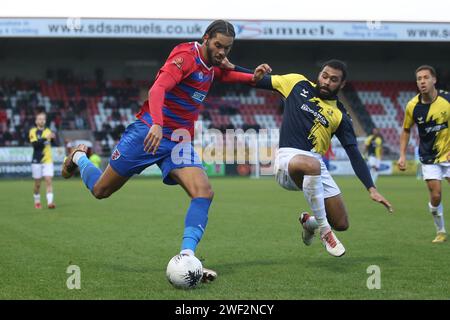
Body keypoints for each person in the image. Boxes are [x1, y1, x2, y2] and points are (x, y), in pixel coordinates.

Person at [61, 20, 271, 281]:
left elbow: (226, 73)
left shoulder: (212, 65)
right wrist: (158, 124)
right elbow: (157, 88)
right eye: (218, 46)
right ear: (206, 38)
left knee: (203, 192)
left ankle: (187, 257)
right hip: (148, 133)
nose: (222, 53)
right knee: (101, 190)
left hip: (179, 140)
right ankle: (78, 157)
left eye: (227, 49)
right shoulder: (185, 57)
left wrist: (254, 76)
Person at [236, 59, 393, 257]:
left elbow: (353, 152)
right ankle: (326, 232)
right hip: (287, 161)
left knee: (342, 223)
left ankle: (310, 222)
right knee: (312, 165)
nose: (327, 82)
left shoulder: (340, 116)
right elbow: (256, 79)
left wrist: (371, 188)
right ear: (319, 74)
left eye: (333, 79)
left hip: (315, 166)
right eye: (324, 76)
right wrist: (231, 67)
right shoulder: (296, 83)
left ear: (342, 84)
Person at [398, 65, 450, 244]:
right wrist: (402, 155)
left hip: (449, 155)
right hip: (429, 157)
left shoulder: (447, 99)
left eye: (426, 77)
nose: (422, 81)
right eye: (419, 78)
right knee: (436, 196)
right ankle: (441, 231)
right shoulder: (413, 106)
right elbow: (406, 130)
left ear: (434, 80)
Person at [29, 111, 56, 209]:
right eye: (39, 119)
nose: (41, 120)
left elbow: (52, 141)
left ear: (45, 121)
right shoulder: (33, 131)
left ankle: (50, 202)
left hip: (48, 160)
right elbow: (35, 145)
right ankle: (37, 200)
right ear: (36, 121)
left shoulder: (48, 131)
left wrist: (53, 138)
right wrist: (46, 138)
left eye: (43, 119)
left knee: (48, 180)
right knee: (37, 184)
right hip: (37, 160)